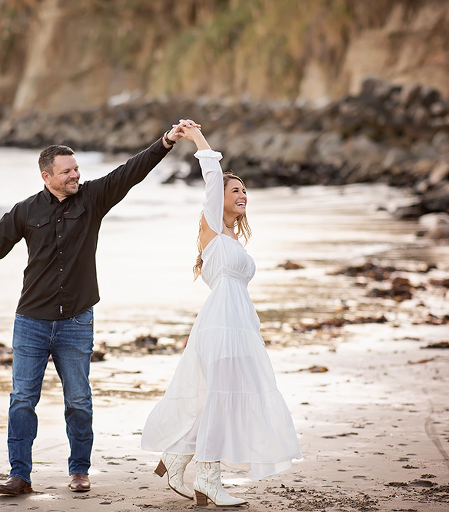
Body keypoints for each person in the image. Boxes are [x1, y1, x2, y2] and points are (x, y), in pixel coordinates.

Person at [0, 123, 188, 496]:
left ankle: (79, 470)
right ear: (47, 176)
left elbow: (131, 171)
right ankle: (20, 475)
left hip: (76, 320)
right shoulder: (25, 211)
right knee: (23, 399)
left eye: (76, 169)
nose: (76, 175)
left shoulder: (93, 199)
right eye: (67, 171)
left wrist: (166, 142)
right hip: (31, 322)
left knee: (78, 400)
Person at [141, 122, 302, 506]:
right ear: (220, 199)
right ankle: (209, 479)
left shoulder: (232, 238)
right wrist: (197, 139)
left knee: (226, 397)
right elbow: (212, 176)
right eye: (235, 190)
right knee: (221, 398)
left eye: (245, 190)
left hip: (239, 324)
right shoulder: (211, 226)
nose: (242, 194)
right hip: (220, 324)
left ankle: (177, 456)